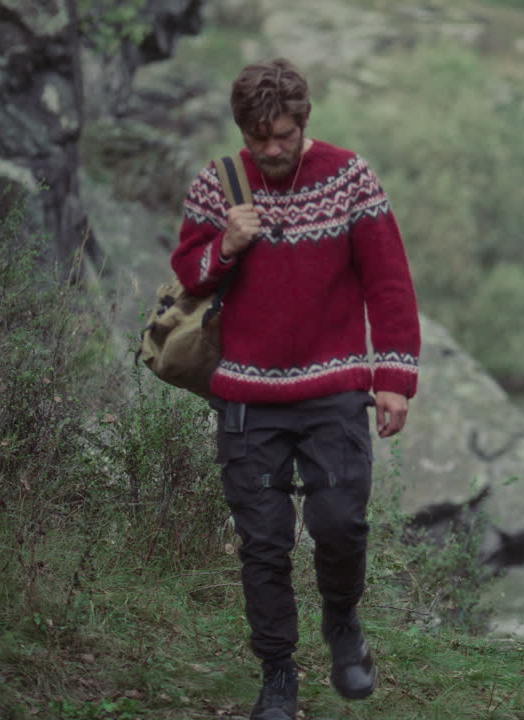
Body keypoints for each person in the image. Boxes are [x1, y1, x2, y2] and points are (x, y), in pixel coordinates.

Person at [171, 58, 421, 720]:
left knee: (341, 525)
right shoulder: (216, 186)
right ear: (243, 132)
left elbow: (388, 282)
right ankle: (278, 672)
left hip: (335, 389)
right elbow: (190, 278)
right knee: (263, 541)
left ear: (303, 121)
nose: (272, 149)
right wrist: (226, 244)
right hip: (247, 398)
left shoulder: (349, 176)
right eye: (259, 138)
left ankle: (342, 621)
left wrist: (394, 380)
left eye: (282, 135)